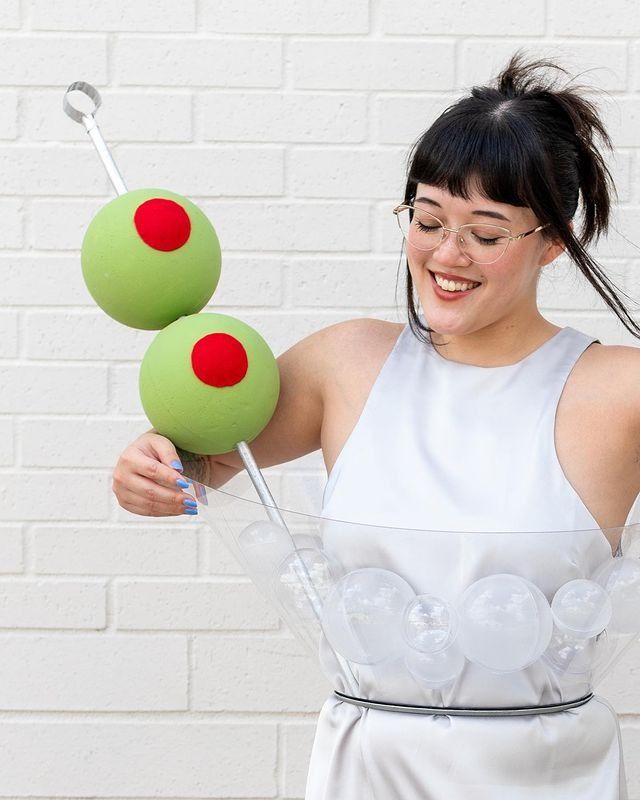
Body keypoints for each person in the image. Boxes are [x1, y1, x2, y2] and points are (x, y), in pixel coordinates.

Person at [113, 50, 640, 798]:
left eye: (486, 235)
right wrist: (152, 464)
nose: (446, 256)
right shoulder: (347, 363)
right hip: (372, 771)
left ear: (553, 240)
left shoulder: (619, 390)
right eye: (427, 220)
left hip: (550, 777)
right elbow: (202, 459)